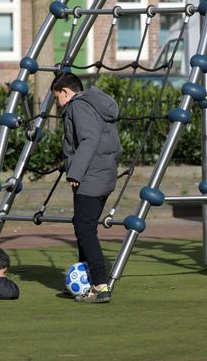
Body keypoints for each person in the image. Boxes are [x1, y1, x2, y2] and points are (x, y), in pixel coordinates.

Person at [51, 72, 122, 304]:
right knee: (82, 225)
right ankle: (87, 281)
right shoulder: (96, 104)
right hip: (104, 174)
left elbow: (89, 139)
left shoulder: (77, 107)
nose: (57, 104)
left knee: (85, 229)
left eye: (56, 98)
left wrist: (75, 172)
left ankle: (101, 286)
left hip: (90, 177)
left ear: (65, 92)